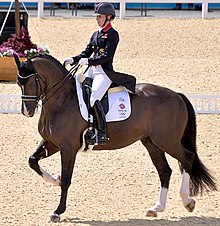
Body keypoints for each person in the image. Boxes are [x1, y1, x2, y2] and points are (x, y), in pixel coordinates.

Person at [64, 2, 136, 145]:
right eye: (97, 16)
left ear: (108, 17)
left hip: (103, 73)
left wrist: (89, 61)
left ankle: (101, 133)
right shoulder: (96, 34)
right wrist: (74, 59)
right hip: (91, 71)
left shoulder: (113, 34)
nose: (97, 19)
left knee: (93, 98)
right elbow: (86, 52)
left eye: (100, 16)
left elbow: (107, 56)